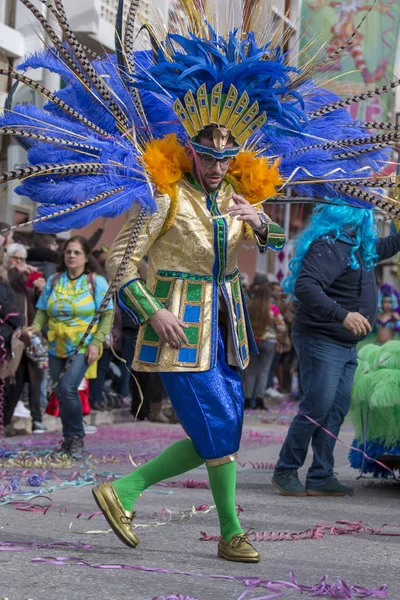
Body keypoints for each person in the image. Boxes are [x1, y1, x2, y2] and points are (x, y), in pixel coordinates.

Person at [4, 0, 400, 566]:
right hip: (176, 327)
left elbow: (269, 247)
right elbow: (118, 263)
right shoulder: (164, 193)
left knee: (227, 429)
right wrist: (150, 311)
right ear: (188, 147)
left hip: (225, 327)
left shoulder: (234, 200)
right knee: (219, 429)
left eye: (225, 157)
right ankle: (179, 511)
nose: (216, 166)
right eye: (207, 156)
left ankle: (181, 514)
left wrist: (262, 226)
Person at [272, 203, 400, 497]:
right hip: (321, 338)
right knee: (317, 406)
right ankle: (285, 470)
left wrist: (397, 218)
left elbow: (392, 244)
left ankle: (320, 475)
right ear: (355, 215)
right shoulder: (330, 245)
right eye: (370, 213)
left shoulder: (360, 247)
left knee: (337, 408)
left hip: (344, 343)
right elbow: (305, 286)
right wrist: (343, 314)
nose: (372, 218)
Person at [31, 236, 113, 456]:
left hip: (83, 346)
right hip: (55, 345)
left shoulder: (96, 282)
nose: (72, 256)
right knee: (61, 391)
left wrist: (97, 342)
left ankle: (77, 438)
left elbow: (107, 314)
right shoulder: (55, 280)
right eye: (68, 252)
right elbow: (42, 310)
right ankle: (68, 441)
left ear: (86, 257)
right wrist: (35, 327)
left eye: (77, 252)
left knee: (68, 389)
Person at [4, 243, 47, 433]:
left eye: (23, 259)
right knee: (13, 382)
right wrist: (16, 270)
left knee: (34, 380)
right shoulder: (6, 277)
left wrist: (41, 290)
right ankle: (5, 421)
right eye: (16, 258)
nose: (20, 263)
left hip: (30, 339)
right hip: (12, 339)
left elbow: (40, 308)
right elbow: (8, 287)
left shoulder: (26, 281)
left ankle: (36, 420)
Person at [244, 283, 286, 409]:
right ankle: (259, 400)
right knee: (264, 371)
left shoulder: (249, 307)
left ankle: (247, 400)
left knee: (251, 372)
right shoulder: (273, 308)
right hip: (269, 342)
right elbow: (282, 327)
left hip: (253, 341)